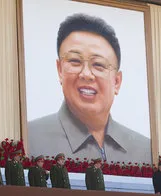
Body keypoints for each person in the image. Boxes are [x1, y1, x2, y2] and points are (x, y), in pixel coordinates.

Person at [28, 13, 150, 164]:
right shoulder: (31, 138)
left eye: (98, 64)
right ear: (60, 70)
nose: (86, 74)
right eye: (74, 61)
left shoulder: (144, 150)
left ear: (117, 82)